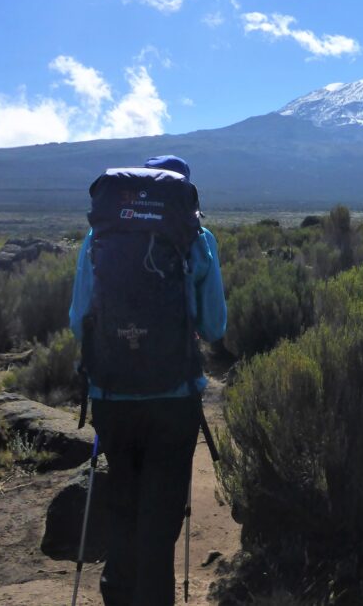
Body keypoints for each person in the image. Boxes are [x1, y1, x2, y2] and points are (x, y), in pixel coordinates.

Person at [68, 154, 227, 606]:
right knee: (159, 524)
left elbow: (80, 320)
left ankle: (117, 596)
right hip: (173, 400)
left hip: (112, 396)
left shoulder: (99, 236)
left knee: (122, 505)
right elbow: (215, 326)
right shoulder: (197, 238)